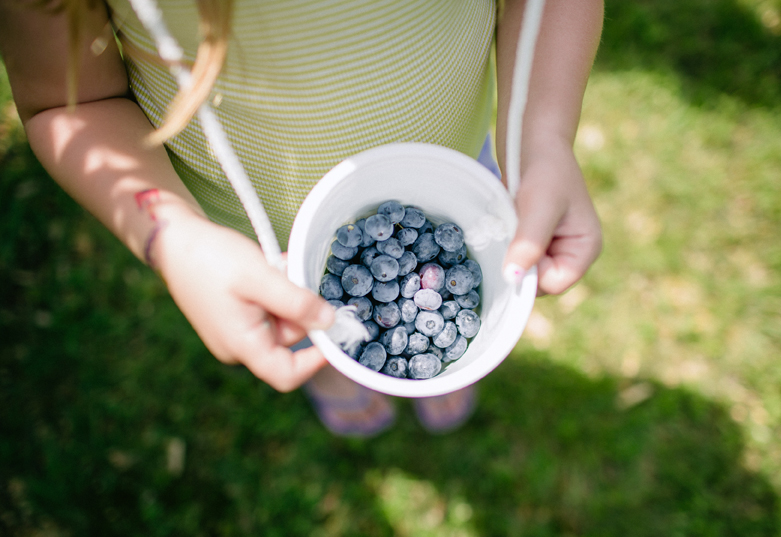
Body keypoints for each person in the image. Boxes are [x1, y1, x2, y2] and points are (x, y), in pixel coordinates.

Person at [0, 0, 603, 436]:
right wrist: (176, 237)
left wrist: (541, 135)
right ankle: (336, 369)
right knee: (307, 316)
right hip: (253, 227)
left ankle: (422, 369)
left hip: (453, 165)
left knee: (399, 327)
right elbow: (67, 100)